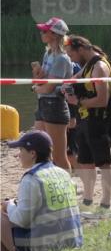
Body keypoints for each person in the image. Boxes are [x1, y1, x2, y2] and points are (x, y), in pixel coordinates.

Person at [1, 130, 83, 251]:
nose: (18, 155)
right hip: (72, 243)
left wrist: (9, 205)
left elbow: (21, 220)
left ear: (33, 154)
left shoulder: (31, 178)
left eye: (21, 150)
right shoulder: (63, 173)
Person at [63, 36, 111, 212]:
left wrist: (78, 101)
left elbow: (102, 100)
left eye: (71, 54)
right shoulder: (88, 65)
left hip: (97, 121)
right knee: (85, 161)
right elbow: (73, 79)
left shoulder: (99, 67)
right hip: (84, 120)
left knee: (104, 163)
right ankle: (87, 199)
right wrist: (65, 87)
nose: (71, 59)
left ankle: (106, 202)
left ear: (80, 49)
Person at [30, 17, 72, 170]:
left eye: (44, 31)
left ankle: (68, 190)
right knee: (40, 150)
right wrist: (38, 75)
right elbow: (43, 82)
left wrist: (35, 88)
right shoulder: (48, 54)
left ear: (54, 34)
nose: (41, 33)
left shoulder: (61, 58)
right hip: (43, 104)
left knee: (59, 157)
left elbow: (49, 88)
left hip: (55, 105)